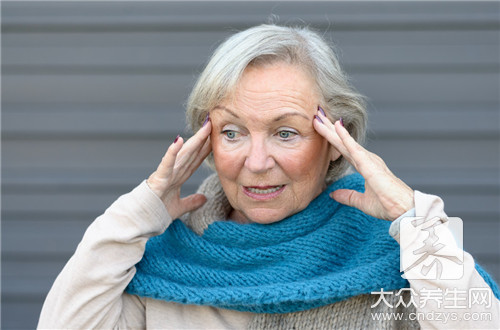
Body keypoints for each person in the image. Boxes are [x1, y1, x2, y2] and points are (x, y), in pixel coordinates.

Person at [38, 24, 499, 329]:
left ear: (335, 140)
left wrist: (413, 219)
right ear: (207, 139)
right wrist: (135, 215)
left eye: (285, 132)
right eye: (233, 132)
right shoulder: (166, 256)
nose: (256, 162)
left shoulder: (394, 250)